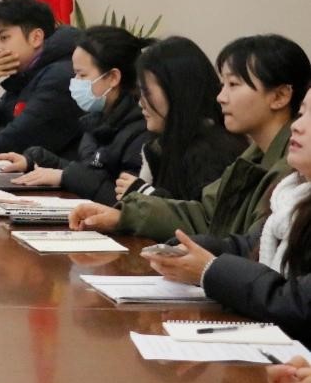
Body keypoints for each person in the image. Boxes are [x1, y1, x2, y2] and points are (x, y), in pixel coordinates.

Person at [71, 34, 311, 240]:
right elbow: (204, 214)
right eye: (223, 84)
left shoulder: (292, 168)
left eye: (233, 84)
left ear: (279, 96)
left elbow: (249, 246)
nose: (221, 97)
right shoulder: (250, 159)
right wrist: (124, 216)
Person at [145, 87, 311, 347]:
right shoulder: (290, 193)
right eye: (301, 113)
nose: (297, 126)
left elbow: (299, 304)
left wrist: (210, 270)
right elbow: (250, 246)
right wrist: (192, 250)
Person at [0, 26, 155, 205]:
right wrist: (34, 160)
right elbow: (88, 173)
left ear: (113, 77)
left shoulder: (141, 131)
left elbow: (127, 202)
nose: (75, 82)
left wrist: (65, 176)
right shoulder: (97, 120)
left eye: (82, 75)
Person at [115, 36, 246, 201]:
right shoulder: (164, 145)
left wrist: (146, 195)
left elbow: (204, 215)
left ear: (178, 91)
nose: (141, 103)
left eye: (146, 92)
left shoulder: (211, 154)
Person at [0, 0, 83, 157]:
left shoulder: (62, 77)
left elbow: (5, 147)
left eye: (4, 37)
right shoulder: (25, 75)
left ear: (36, 38)